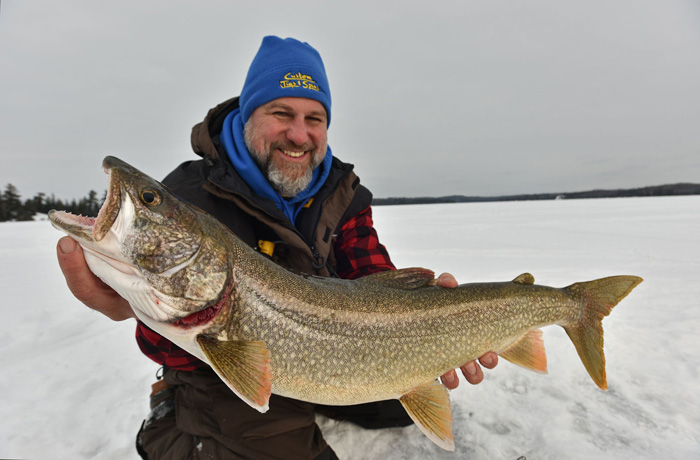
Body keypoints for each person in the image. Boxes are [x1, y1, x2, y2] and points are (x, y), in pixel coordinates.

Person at [56, 36, 498, 460]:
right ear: (249, 114)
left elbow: (370, 274)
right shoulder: (190, 196)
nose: (299, 135)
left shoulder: (342, 192)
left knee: (395, 402)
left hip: (329, 343)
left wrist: (431, 322)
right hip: (214, 370)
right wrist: (133, 305)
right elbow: (174, 340)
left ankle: (321, 393)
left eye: (314, 119)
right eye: (281, 113)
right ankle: (173, 421)